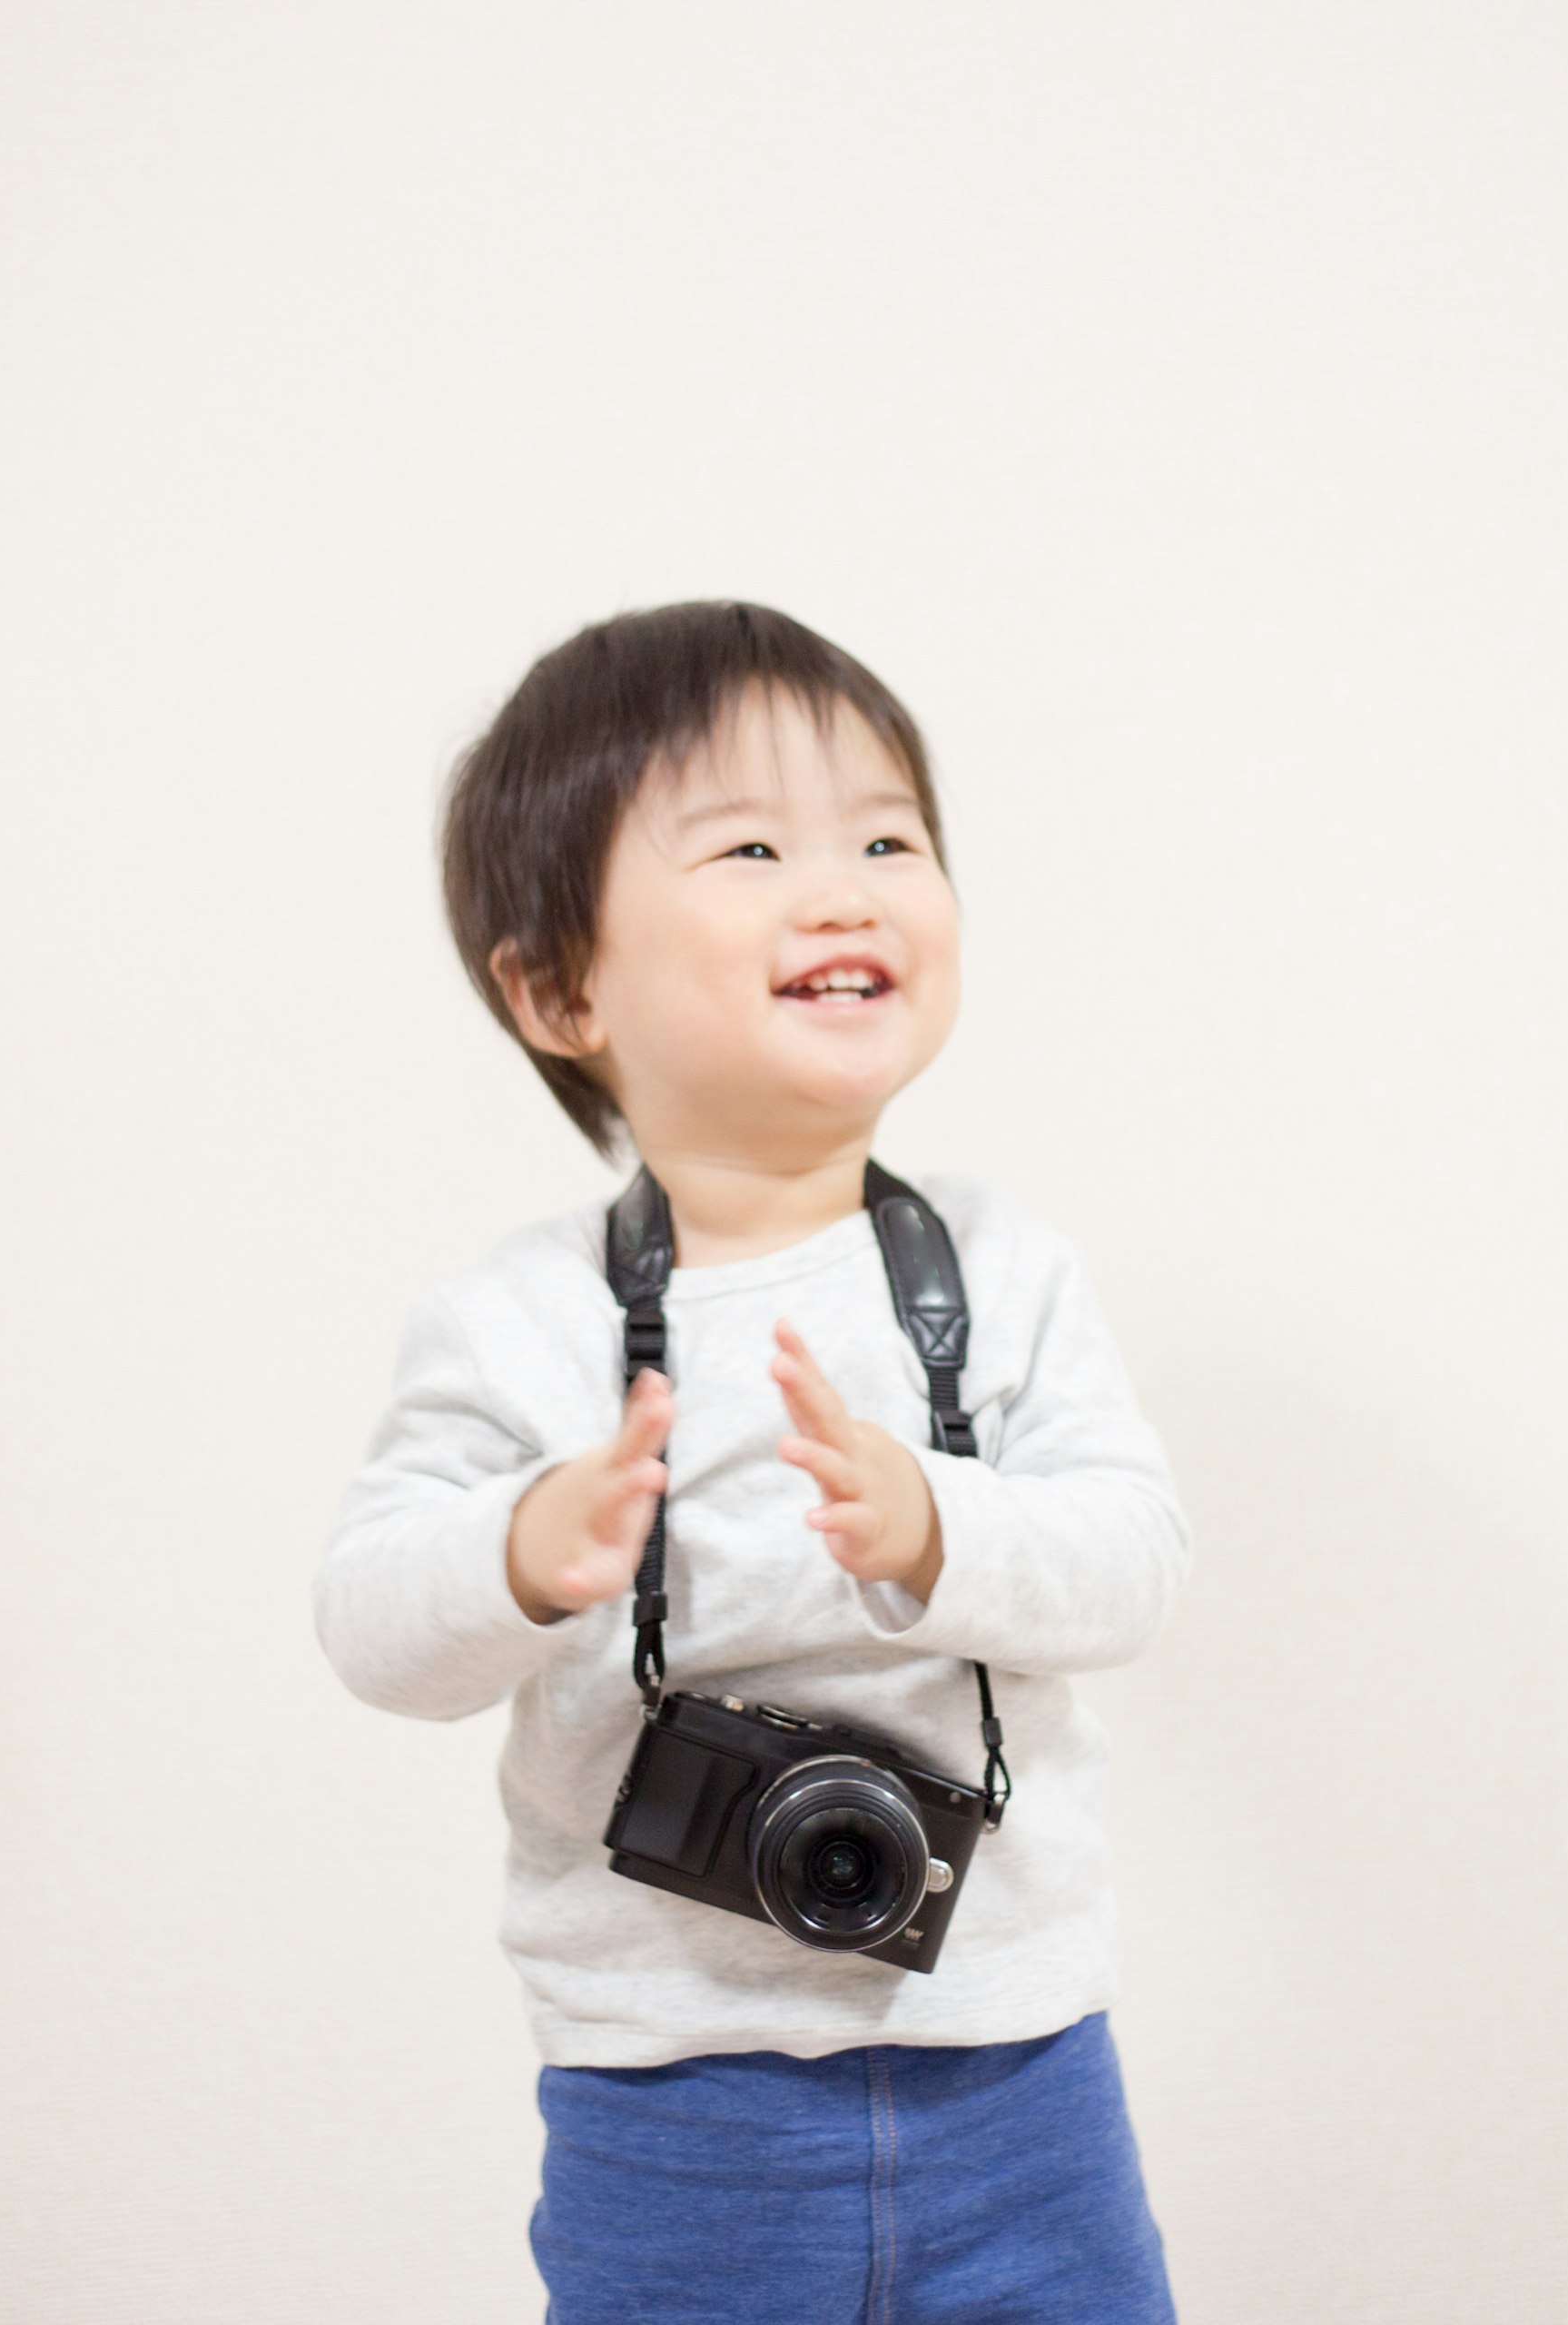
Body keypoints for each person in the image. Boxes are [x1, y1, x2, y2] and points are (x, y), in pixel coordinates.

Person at [319, 601, 1189, 2322]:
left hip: (1013, 2064)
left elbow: (1138, 1562)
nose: (845, 888)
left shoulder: (1001, 1274)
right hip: (672, 2099)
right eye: (751, 848)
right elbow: (366, 1627)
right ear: (562, 987)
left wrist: (941, 1524)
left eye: (887, 837)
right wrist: (516, 1553)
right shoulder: (522, 1323)